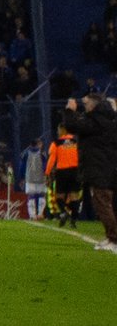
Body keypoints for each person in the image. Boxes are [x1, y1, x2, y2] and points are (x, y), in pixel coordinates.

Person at [61, 97, 117, 250]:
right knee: (108, 203)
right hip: (109, 167)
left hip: (100, 168)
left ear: (94, 105)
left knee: (103, 204)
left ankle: (113, 239)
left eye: (85, 104)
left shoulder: (96, 121)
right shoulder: (108, 119)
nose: (83, 106)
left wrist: (69, 110)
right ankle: (110, 237)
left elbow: (72, 126)